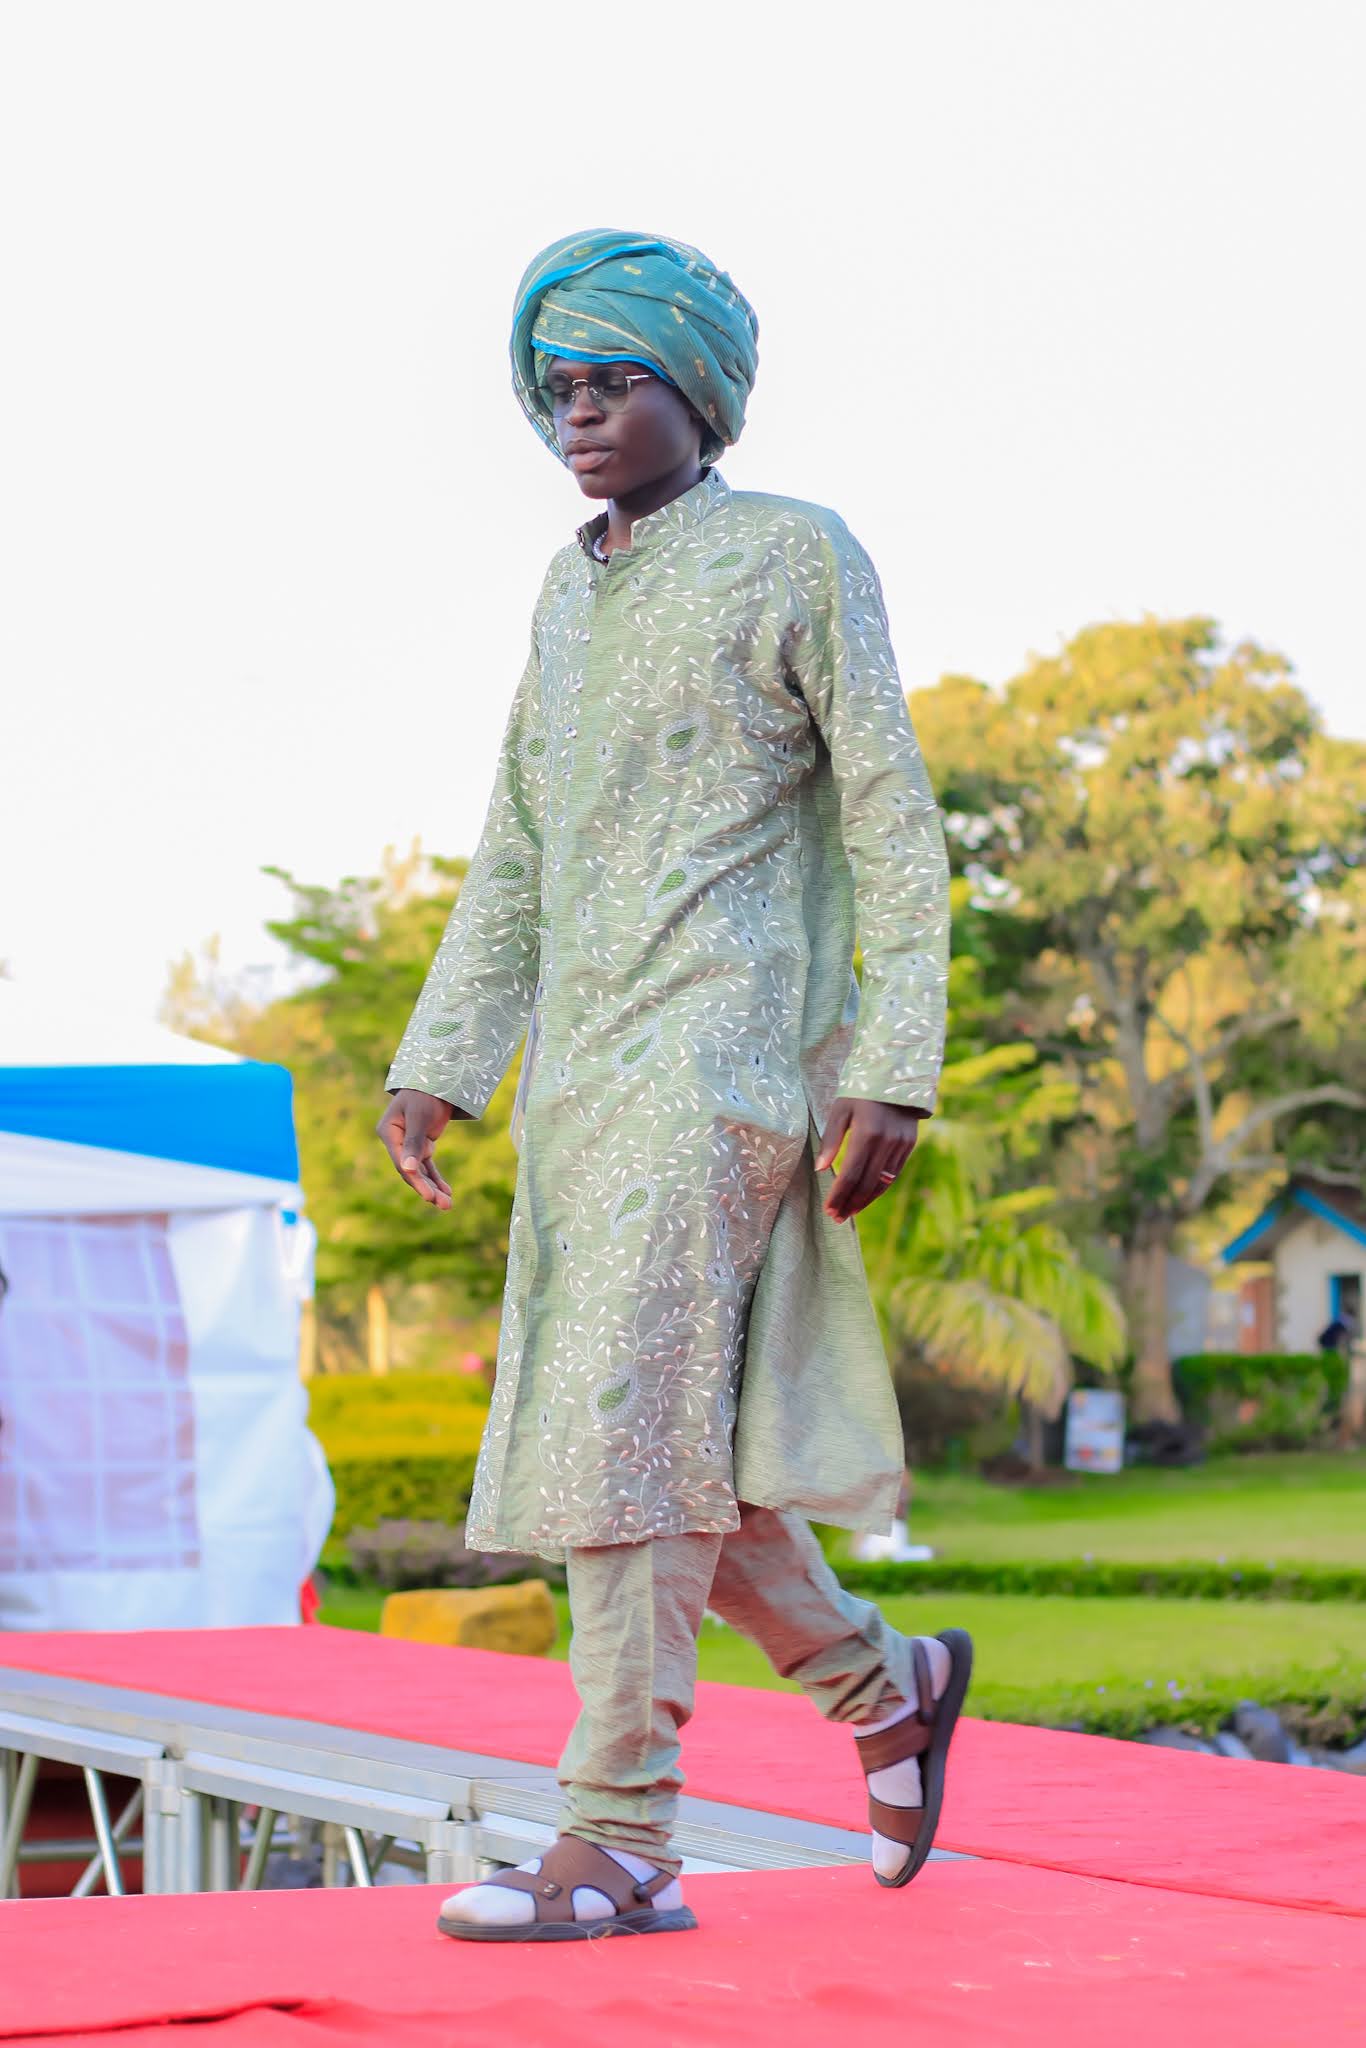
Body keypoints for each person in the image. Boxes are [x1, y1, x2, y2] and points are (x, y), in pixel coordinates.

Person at [378, 229, 971, 1944]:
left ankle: (622, 1835)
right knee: (645, 1444)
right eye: (557, 387)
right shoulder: (565, 593)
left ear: (699, 394)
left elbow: (891, 814)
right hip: (579, 1082)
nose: (578, 413)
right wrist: (443, 1058)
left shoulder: (793, 554)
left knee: (622, 1449)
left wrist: (896, 1061)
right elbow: (516, 844)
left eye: (615, 381)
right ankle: (883, 1689)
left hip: (722, 1066)